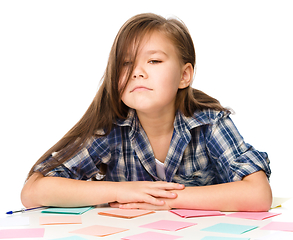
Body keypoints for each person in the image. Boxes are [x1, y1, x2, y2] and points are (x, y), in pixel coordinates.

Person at [21, 13, 272, 211]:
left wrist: (166, 199)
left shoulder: (209, 123)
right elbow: (33, 191)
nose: (137, 72)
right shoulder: (111, 129)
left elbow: (258, 194)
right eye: (126, 63)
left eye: (153, 61)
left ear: (184, 75)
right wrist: (122, 191)